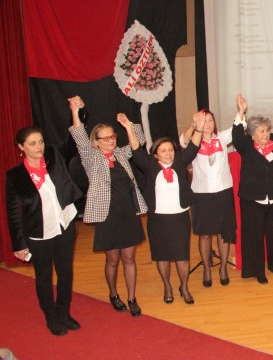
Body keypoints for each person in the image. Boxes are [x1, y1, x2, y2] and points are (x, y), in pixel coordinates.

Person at [69, 97, 147, 317]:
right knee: (112, 260)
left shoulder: (121, 153)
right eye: (105, 138)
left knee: (129, 258)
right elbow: (79, 136)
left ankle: (132, 298)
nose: (110, 141)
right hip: (107, 215)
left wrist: (128, 125)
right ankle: (113, 294)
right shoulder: (91, 157)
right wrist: (75, 111)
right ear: (96, 141)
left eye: (113, 136)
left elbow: (139, 142)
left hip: (128, 212)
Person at [5, 126, 82, 336]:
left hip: (64, 224)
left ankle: (64, 312)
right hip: (38, 232)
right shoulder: (15, 176)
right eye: (32, 143)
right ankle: (51, 316)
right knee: (44, 276)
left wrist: (76, 114)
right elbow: (13, 212)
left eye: (40, 141)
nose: (39, 146)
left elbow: (72, 143)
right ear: (21, 147)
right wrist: (19, 244)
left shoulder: (52, 157)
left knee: (65, 272)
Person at [132, 120, 203, 304]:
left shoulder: (179, 162)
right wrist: (128, 129)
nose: (168, 153)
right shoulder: (150, 165)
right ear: (155, 154)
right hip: (157, 219)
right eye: (163, 150)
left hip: (180, 217)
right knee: (161, 256)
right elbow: (136, 151)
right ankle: (167, 286)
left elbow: (193, 148)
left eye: (171, 149)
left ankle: (184, 287)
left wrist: (199, 128)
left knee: (182, 256)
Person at [232, 95, 273, 284]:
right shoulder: (246, 145)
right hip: (253, 199)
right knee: (254, 237)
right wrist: (241, 112)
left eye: (267, 130)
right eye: (261, 131)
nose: (266, 134)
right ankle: (257, 271)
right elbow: (236, 135)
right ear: (252, 134)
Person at [180, 109, 236, 288]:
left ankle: (223, 268)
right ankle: (206, 268)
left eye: (210, 120)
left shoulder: (222, 138)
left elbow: (237, 126)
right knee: (204, 234)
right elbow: (182, 140)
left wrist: (241, 111)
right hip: (201, 194)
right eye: (204, 121)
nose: (208, 124)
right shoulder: (195, 141)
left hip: (223, 191)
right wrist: (194, 126)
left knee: (223, 233)